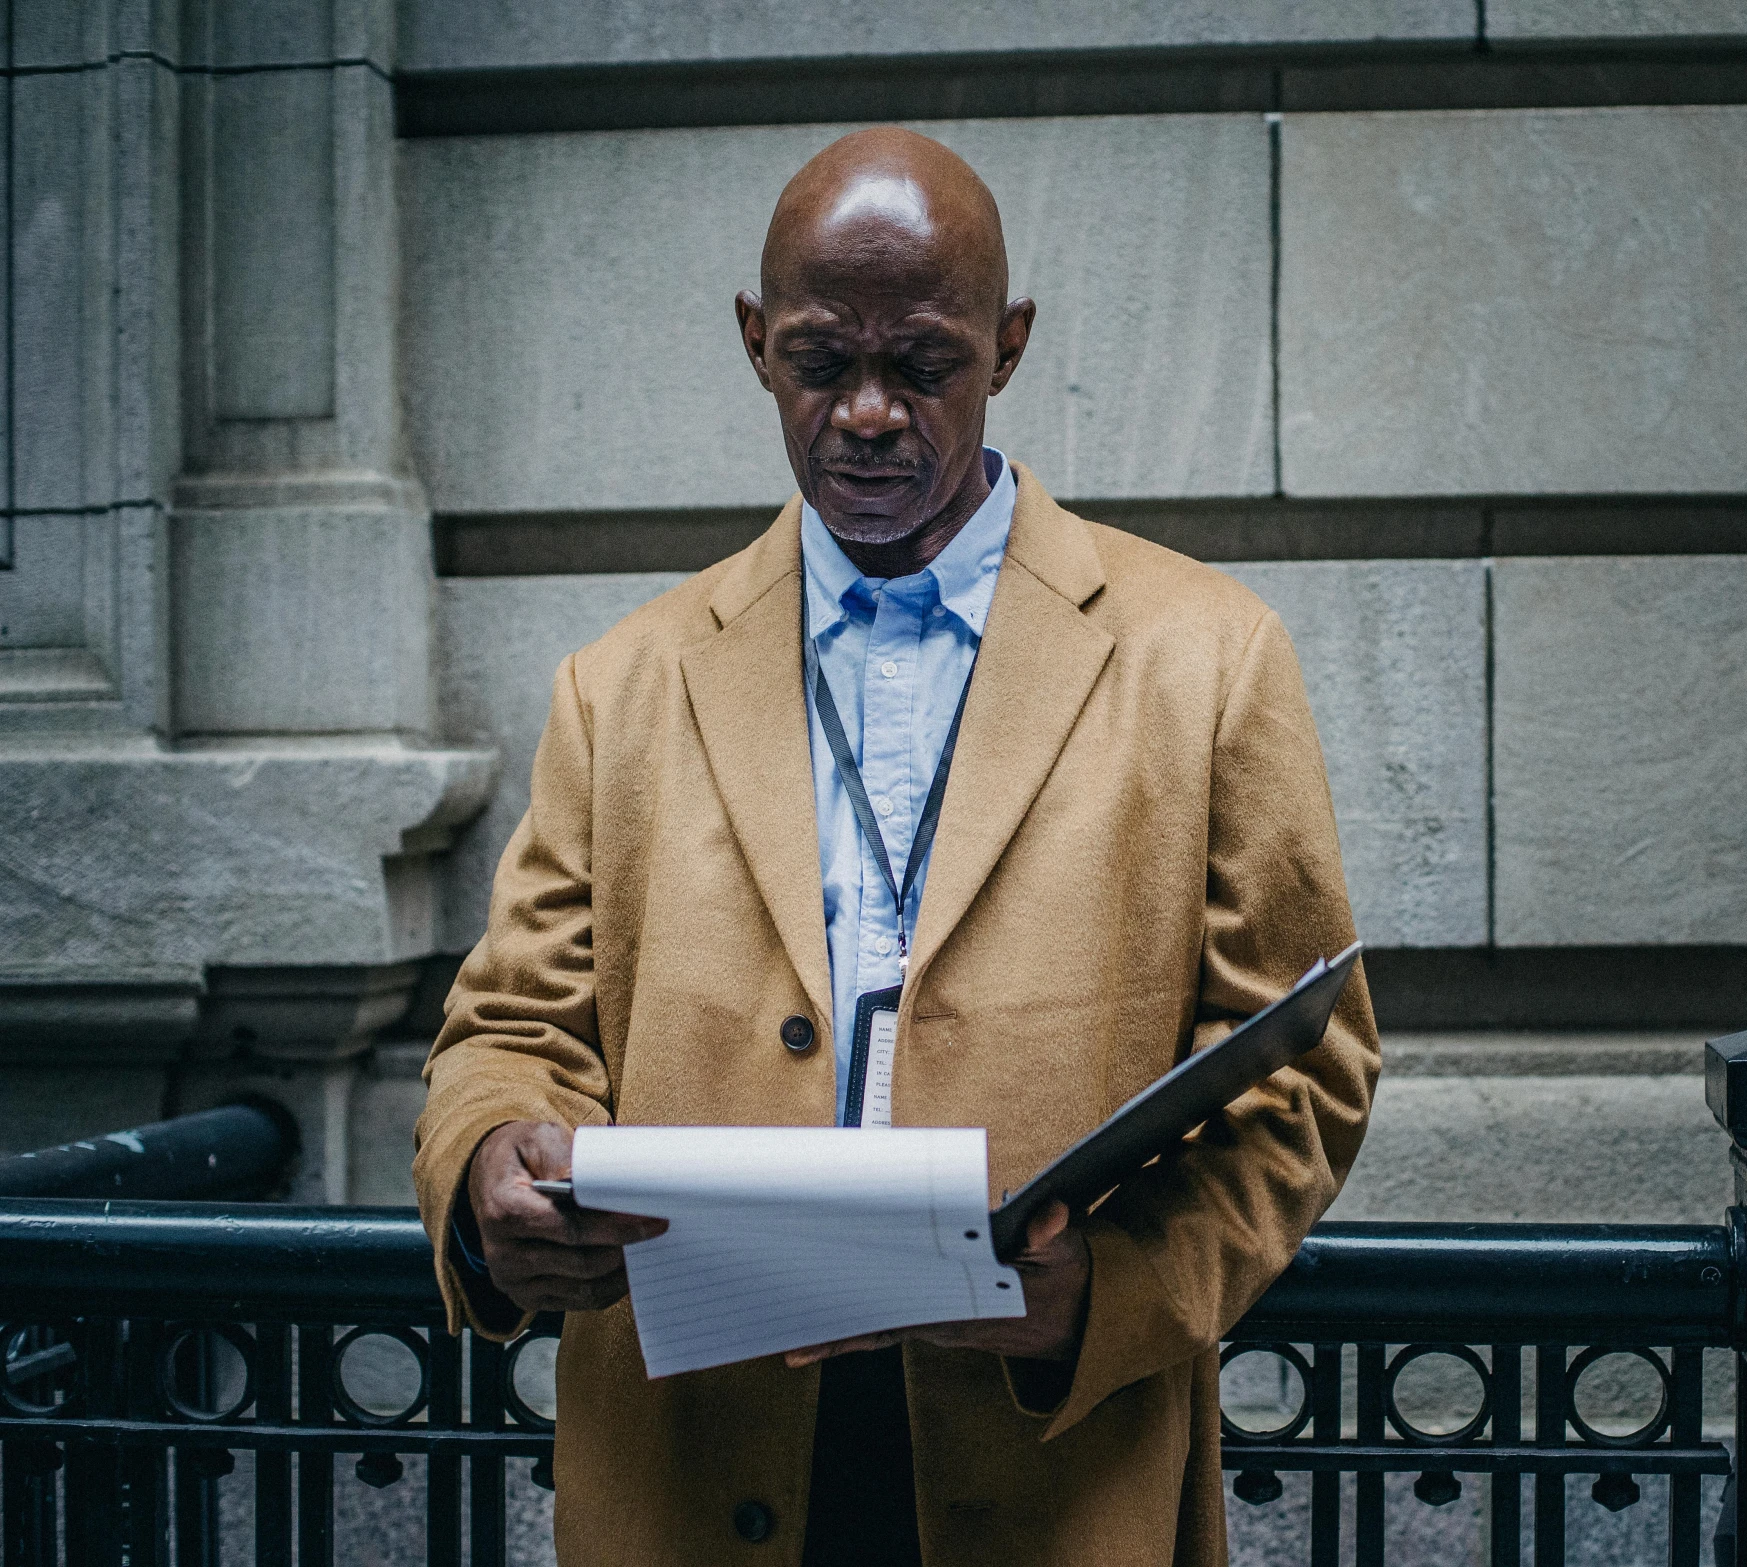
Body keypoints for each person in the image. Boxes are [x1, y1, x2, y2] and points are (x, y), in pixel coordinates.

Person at [413, 126, 1378, 1567]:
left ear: (1009, 344)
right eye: (819, 364)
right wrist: (491, 1164)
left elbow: (1301, 1065)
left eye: (922, 365)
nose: (866, 413)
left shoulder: (1209, 657)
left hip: (1044, 1457)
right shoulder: (620, 682)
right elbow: (507, 1029)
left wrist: (1102, 1290)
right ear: (754, 342)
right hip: (688, 1461)